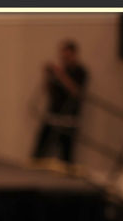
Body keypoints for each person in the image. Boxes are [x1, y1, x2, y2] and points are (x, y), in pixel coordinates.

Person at [31, 39, 89, 168]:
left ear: (74, 55)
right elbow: (47, 90)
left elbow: (76, 91)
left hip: (69, 118)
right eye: (63, 57)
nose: (64, 59)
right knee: (39, 151)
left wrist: (60, 74)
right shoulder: (61, 71)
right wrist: (47, 76)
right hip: (53, 115)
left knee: (66, 155)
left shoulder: (80, 71)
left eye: (67, 56)